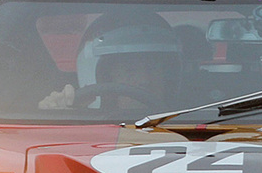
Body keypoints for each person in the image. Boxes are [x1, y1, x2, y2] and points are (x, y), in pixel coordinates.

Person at [40, 17, 181, 110]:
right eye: (129, 71)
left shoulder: (197, 121)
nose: (144, 80)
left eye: (153, 69)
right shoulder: (81, 127)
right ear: (104, 77)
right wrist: (57, 114)